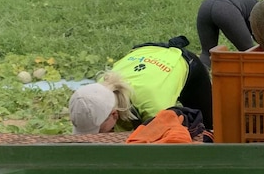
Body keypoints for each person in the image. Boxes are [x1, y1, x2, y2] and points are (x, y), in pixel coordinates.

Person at [69, 35, 213, 135]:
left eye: (98, 130)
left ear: (114, 114)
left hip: (182, 62)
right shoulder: (96, 95)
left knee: (211, 126)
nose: (96, 136)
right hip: (143, 53)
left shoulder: (154, 105)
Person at [196, 0, 259, 69]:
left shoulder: (255, 4)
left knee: (207, 53)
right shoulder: (262, 11)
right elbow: (260, 36)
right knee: (249, 53)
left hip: (206, 5)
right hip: (226, 9)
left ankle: (197, 79)